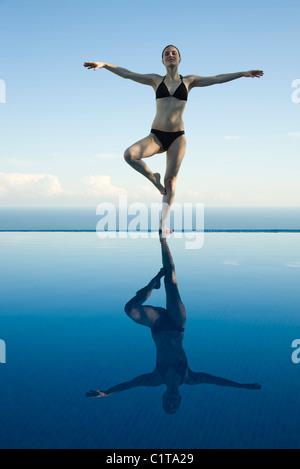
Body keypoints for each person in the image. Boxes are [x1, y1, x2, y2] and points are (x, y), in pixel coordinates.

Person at [84, 46, 263, 237]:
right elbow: (128, 74)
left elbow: (217, 79)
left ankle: (163, 224)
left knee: (171, 182)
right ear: (162, 61)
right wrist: (104, 65)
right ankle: (154, 179)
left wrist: (243, 73)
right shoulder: (155, 80)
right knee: (130, 155)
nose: (170, 55)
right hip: (156, 136)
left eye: (174, 53)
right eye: (166, 53)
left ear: (179, 59)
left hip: (177, 137)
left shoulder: (189, 81)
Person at [86, 234, 261, 414]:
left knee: (129, 309)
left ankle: (153, 284)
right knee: (171, 281)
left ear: (163, 398)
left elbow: (131, 384)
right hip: (177, 324)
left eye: (167, 403)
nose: (171, 401)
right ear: (179, 399)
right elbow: (216, 380)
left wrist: (108, 392)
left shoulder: (155, 379)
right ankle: (163, 240)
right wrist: (242, 386)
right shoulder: (190, 378)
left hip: (158, 325)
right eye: (174, 404)